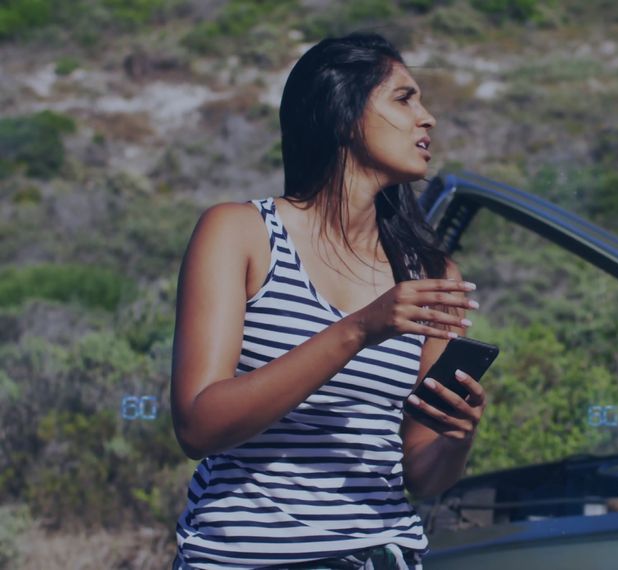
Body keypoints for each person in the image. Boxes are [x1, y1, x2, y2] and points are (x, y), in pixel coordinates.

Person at [170, 32, 486, 569]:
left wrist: (457, 437)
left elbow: (421, 475)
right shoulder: (240, 233)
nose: (427, 118)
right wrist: (359, 329)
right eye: (405, 99)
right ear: (342, 114)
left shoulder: (431, 273)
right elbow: (198, 425)